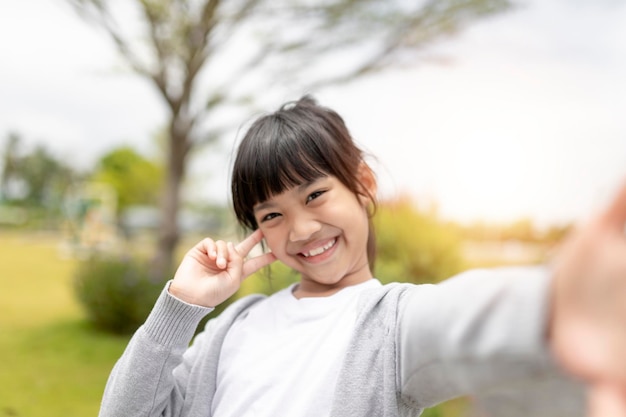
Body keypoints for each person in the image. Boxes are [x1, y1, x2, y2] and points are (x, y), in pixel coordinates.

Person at [98, 96, 626, 417]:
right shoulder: (235, 324)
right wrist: (180, 307)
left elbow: (462, 318)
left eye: (315, 195)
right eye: (271, 215)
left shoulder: (393, 324)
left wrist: (557, 300)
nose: (302, 229)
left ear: (363, 185)